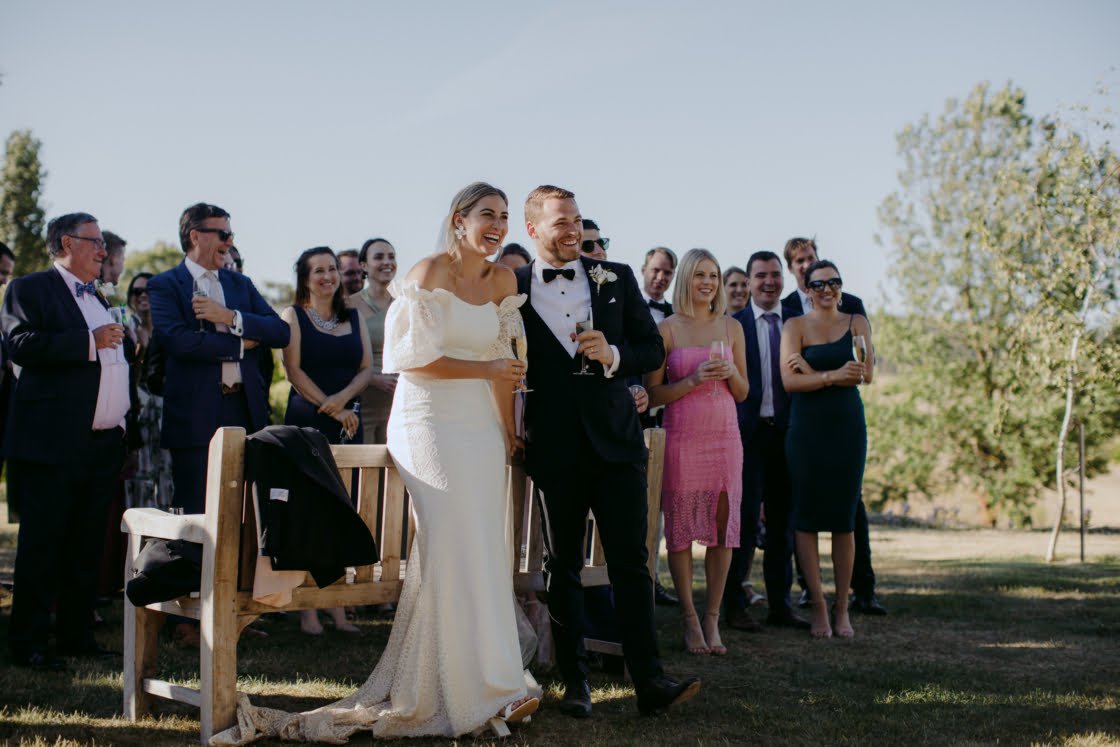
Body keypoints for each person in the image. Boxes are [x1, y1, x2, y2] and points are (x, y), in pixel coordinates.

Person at [516, 184, 699, 717]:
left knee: (631, 563)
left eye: (576, 220)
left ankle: (650, 681)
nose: (573, 230)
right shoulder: (512, 288)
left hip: (617, 443)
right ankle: (576, 684)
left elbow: (651, 348)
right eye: (561, 222)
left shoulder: (614, 276)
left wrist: (614, 354)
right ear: (533, 229)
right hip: (554, 446)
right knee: (562, 566)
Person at [2, 213, 129, 670]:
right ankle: (29, 644)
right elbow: (20, 344)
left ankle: (77, 637)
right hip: (53, 442)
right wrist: (88, 342)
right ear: (66, 243)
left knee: (85, 546)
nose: (103, 250)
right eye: (94, 242)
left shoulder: (97, 294)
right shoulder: (29, 288)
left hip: (101, 444)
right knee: (44, 545)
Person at [148, 202, 290, 516]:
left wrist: (230, 317)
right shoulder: (164, 285)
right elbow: (178, 341)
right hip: (194, 417)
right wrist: (239, 346)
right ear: (195, 236)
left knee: (247, 511)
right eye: (223, 234)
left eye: (231, 234)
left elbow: (281, 332)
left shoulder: (241, 284)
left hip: (245, 410)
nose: (230, 242)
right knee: (197, 512)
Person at [646, 249, 747, 656]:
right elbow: (653, 394)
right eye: (700, 275)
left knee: (723, 531)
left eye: (713, 276)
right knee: (681, 532)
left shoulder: (732, 327)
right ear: (686, 279)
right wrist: (692, 380)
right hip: (683, 437)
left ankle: (712, 618)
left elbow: (743, 392)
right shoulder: (667, 329)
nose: (708, 282)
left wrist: (732, 373)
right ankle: (689, 618)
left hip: (725, 437)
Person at [781, 237, 886, 615]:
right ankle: (819, 607)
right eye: (819, 284)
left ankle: (842, 607)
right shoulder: (794, 325)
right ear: (807, 289)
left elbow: (865, 374)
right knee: (806, 517)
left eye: (834, 282)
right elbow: (790, 382)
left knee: (845, 518)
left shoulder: (857, 321)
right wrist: (832, 375)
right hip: (806, 429)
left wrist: (813, 371)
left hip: (847, 427)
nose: (828, 289)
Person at [281, 247, 373, 636]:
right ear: (304, 278)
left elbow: (367, 368)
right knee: (310, 512)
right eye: (318, 270)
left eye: (332, 268)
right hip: (308, 421)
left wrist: (344, 401)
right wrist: (331, 407)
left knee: (343, 512)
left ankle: (338, 608)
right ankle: (308, 611)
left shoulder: (354, 316)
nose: (327, 276)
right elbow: (293, 371)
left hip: (349, 421)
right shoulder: (293, 316)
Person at [724, 251, 809, 634]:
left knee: (782, 523)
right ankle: (735, 605)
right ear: (750, 280)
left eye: (775, 274)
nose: (769, 282)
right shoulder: (735, 325)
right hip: (747, 435)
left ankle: (780, 605)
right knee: (741, 523)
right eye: (761, 276)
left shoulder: (797, 323)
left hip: (788, 434)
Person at [123, 272, 174, 510]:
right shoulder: (125, 327)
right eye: (137, 291)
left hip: (166, 413)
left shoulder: (169, 329)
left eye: (148, 291)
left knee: (166, 473)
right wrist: (138, 348)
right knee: (139, 475)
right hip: (137, 413)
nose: (143, 295)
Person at [347, 237, 398, 444]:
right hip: (362, 402)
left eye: (391, 257)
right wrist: (373, 379)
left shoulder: (405, 303)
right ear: (364, 266)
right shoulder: (348, 305)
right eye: (379, 257)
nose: (387, 262)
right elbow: (340, 354)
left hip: (397, 403)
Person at [641, 246, 677, 323]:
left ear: (673, 275)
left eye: (667, 273)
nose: (660, 277)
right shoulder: (624, 304)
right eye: (656, 270)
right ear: (643, 270)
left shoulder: (677, 316)